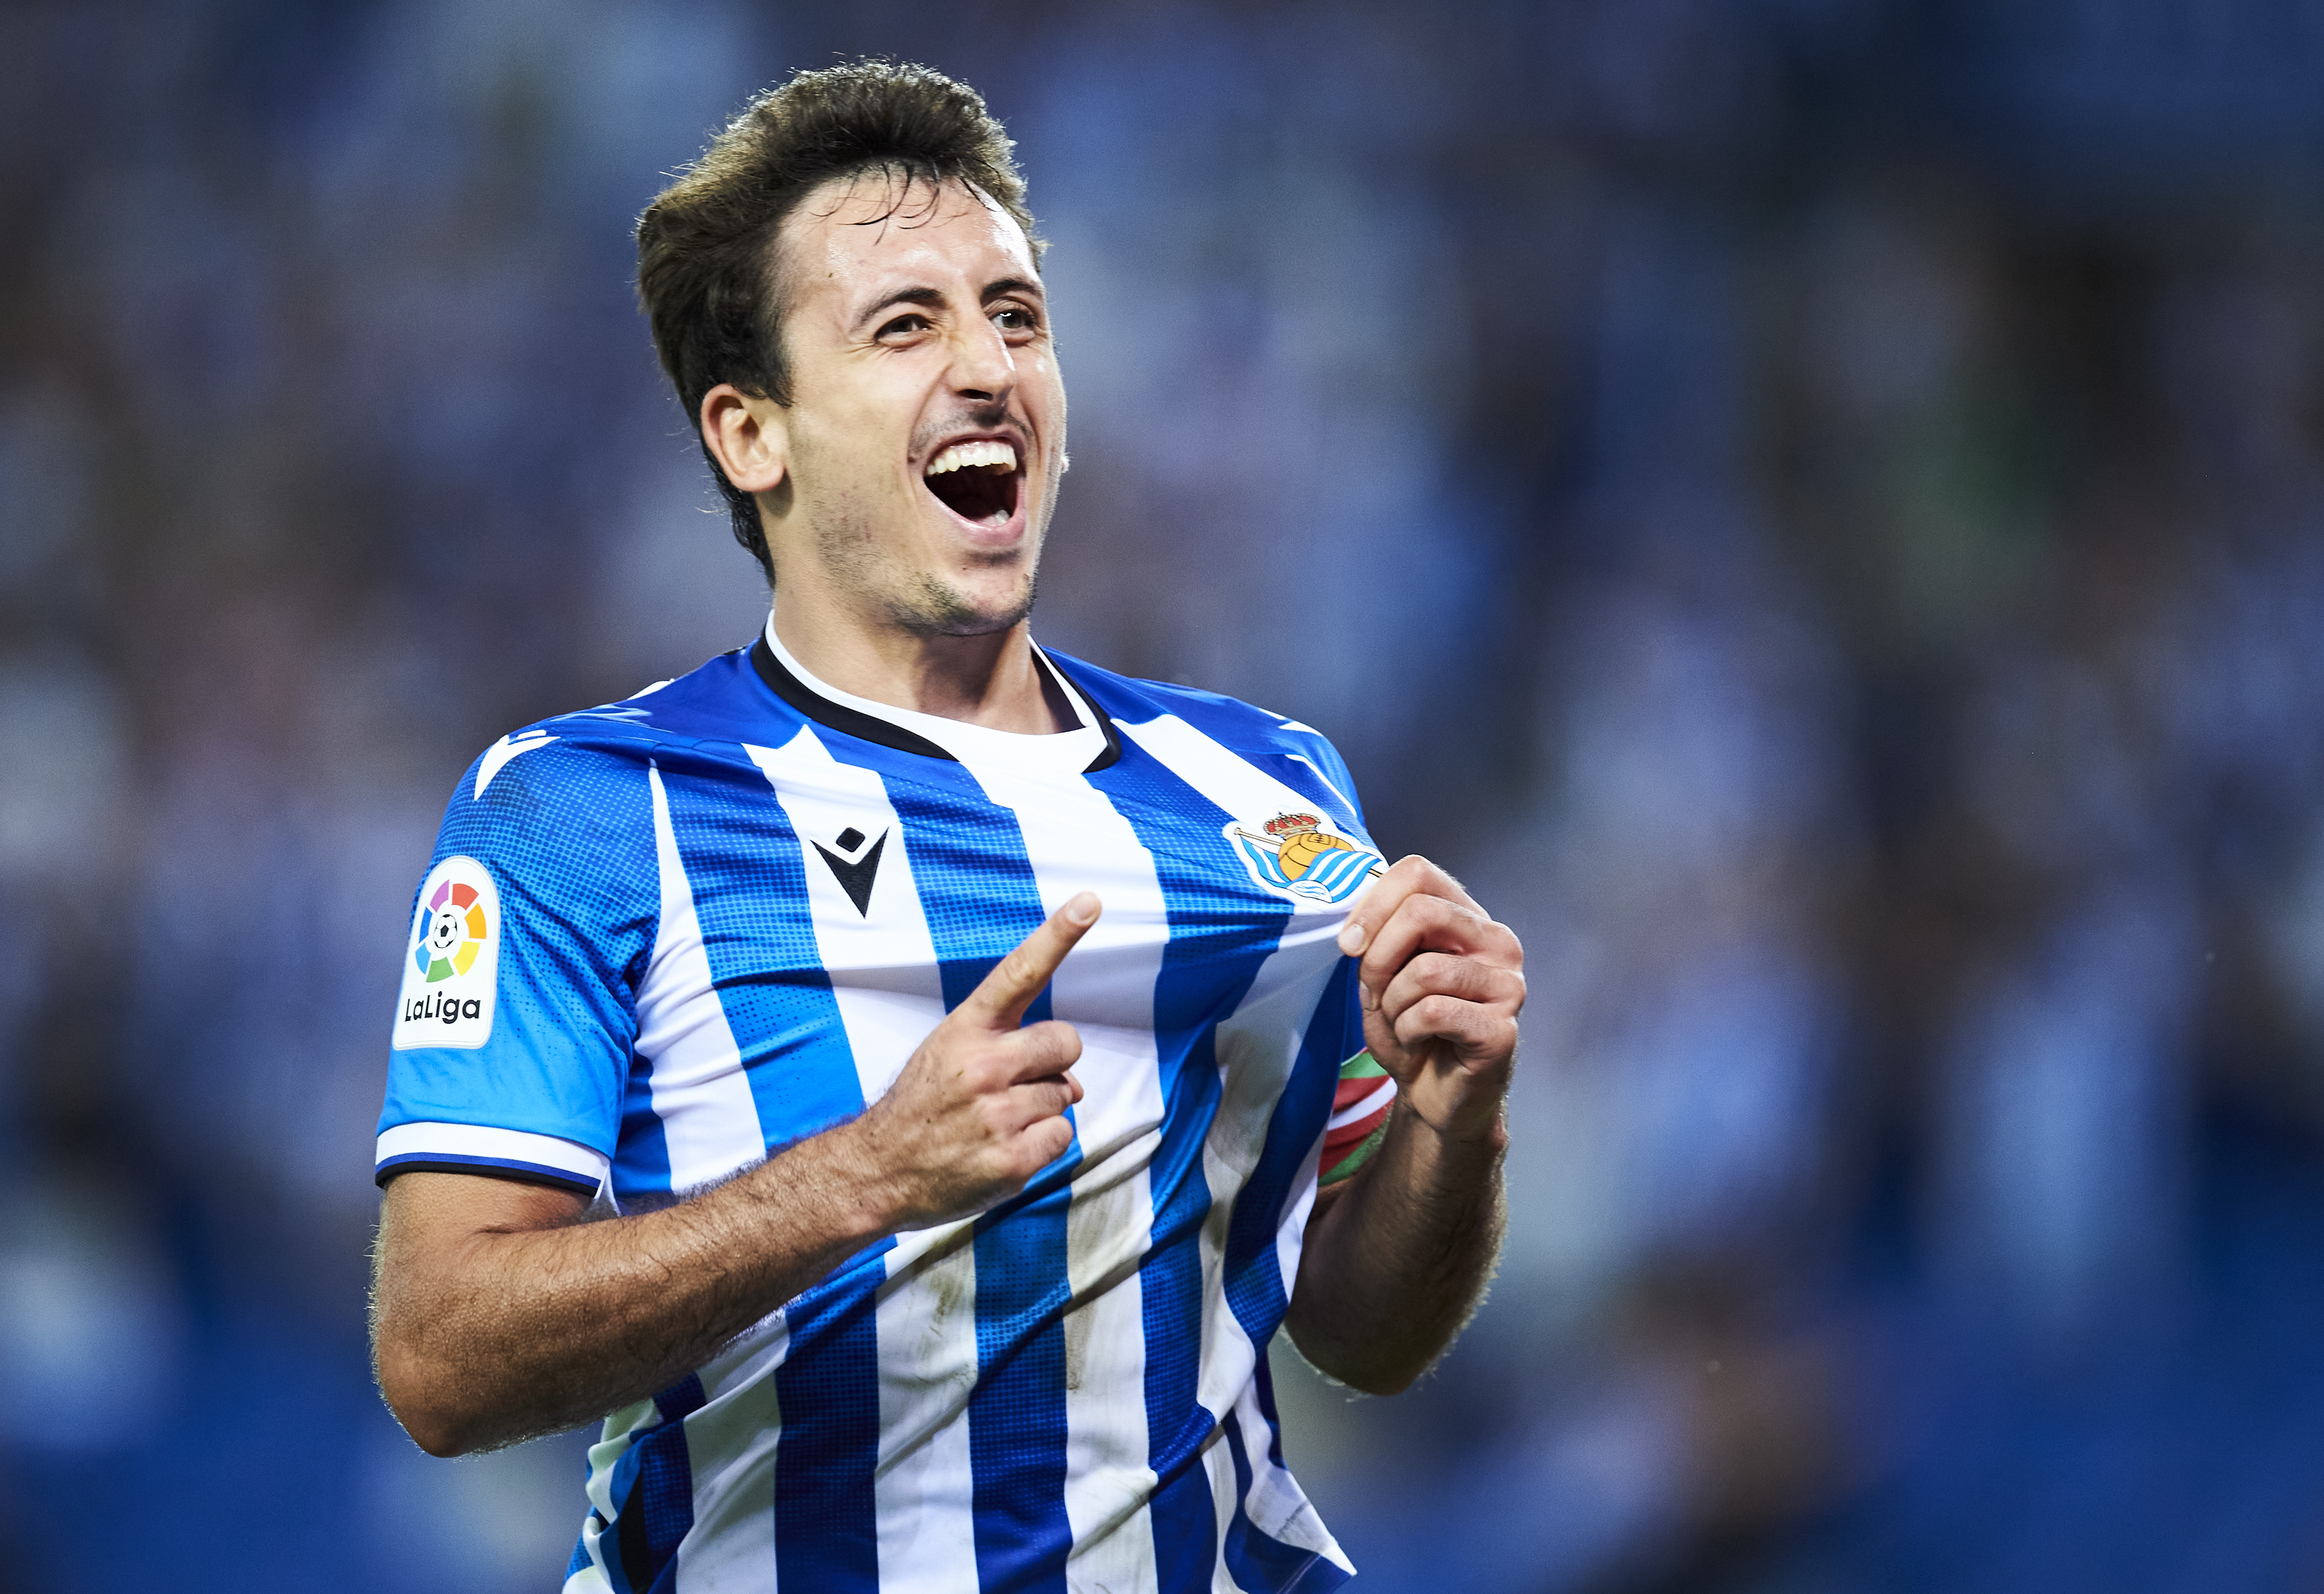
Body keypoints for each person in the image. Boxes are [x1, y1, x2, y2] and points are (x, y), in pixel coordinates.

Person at [368, 59, 1524, 1594]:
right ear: (751, 435)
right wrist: (869, 1176)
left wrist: (1457, 1119)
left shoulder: (1270, 794)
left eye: (1017, 316)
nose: (987, 365)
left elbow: (1364, 1336)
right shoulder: (589, 813)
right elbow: (443, 1359)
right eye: (905, 325)